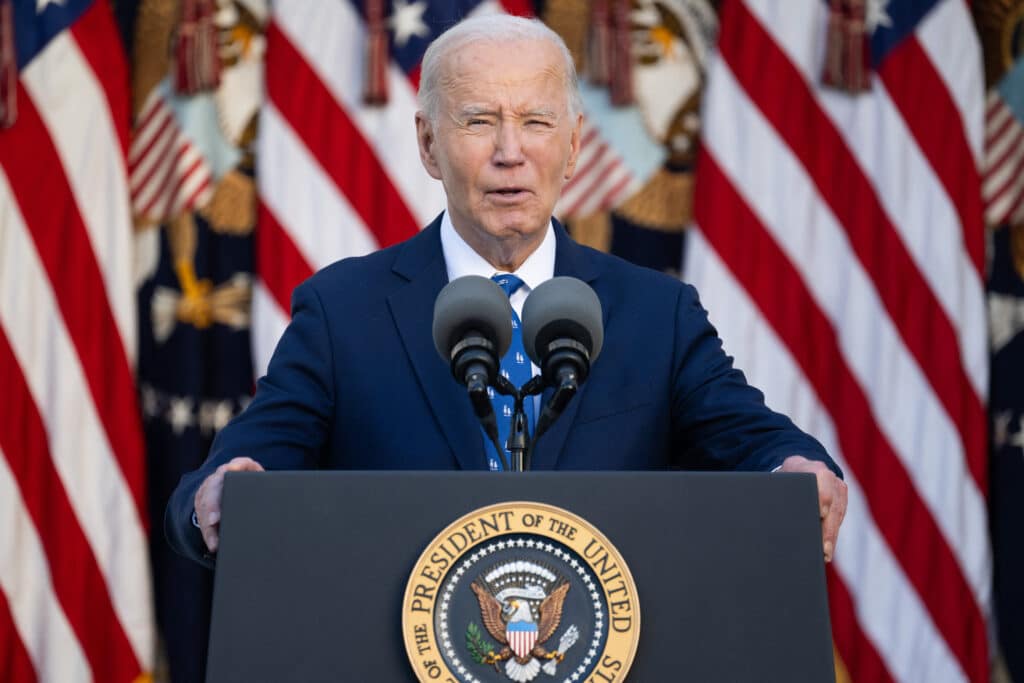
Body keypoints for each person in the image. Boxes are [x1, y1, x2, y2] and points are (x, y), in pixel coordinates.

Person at [166, 14, 847, 568]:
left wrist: (798, 469)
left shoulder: (655, 315)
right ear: (429, 145)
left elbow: (754, 442)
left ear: (576, 144)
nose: (510, 151)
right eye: (479, 120)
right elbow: (234, 471)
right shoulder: (344, 311)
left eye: (537, 121)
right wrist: (217, 496)